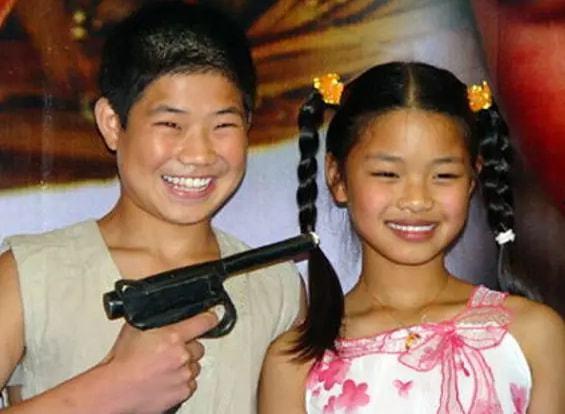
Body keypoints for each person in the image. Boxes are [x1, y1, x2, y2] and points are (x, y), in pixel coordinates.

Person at [0, 1, 303, 413]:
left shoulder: (278, 289)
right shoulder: (29, 275)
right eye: (170, 124)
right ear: (112, 123)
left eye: (223, 125)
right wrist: (110, 387)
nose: (198, 153)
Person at [258, 62, 564, 413]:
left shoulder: (532, 334)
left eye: (444, 175)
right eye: (388, 174)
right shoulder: (295, 362)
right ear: (337, 177)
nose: (417, 200)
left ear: (472, 179)